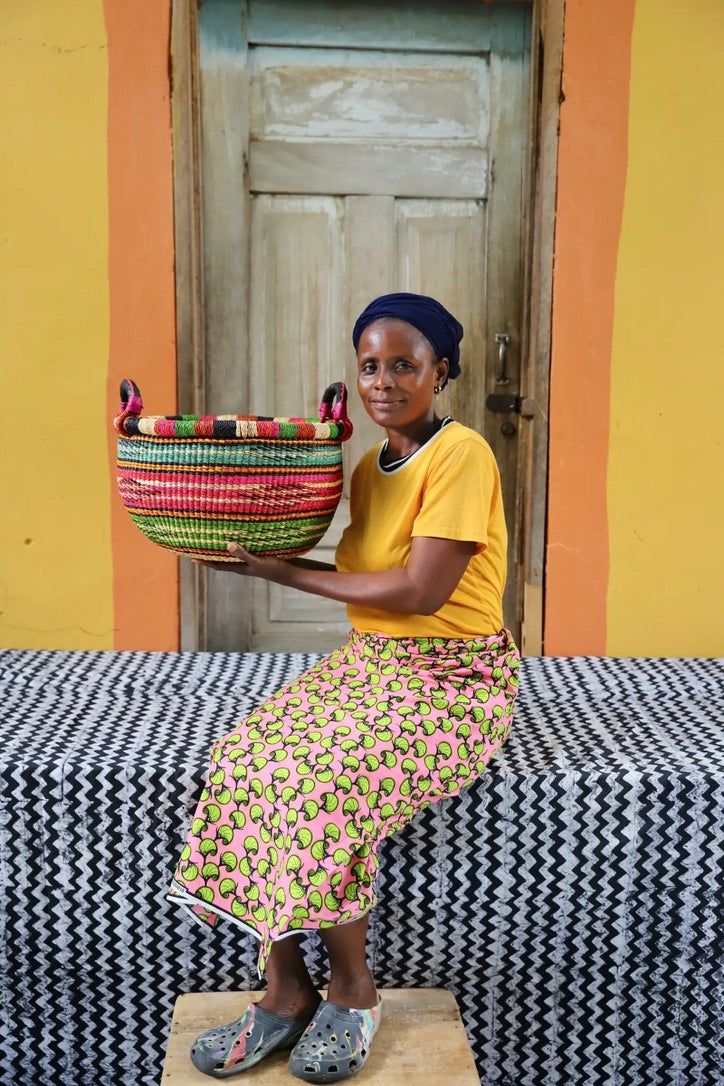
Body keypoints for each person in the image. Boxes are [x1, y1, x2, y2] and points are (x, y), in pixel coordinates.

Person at [166, 291, 521, 1083]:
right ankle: (285, 987)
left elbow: (421, 593)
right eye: (370, 365)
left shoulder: (462, 455)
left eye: (405, 364)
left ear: (443, 373)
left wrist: (278, 572)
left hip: (454, 680)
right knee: (244, 758)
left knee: (319, 782)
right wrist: (255, 551)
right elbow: (370, 581)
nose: (384, 380)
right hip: (372, 666)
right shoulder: (369, 466)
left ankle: (355, 990)